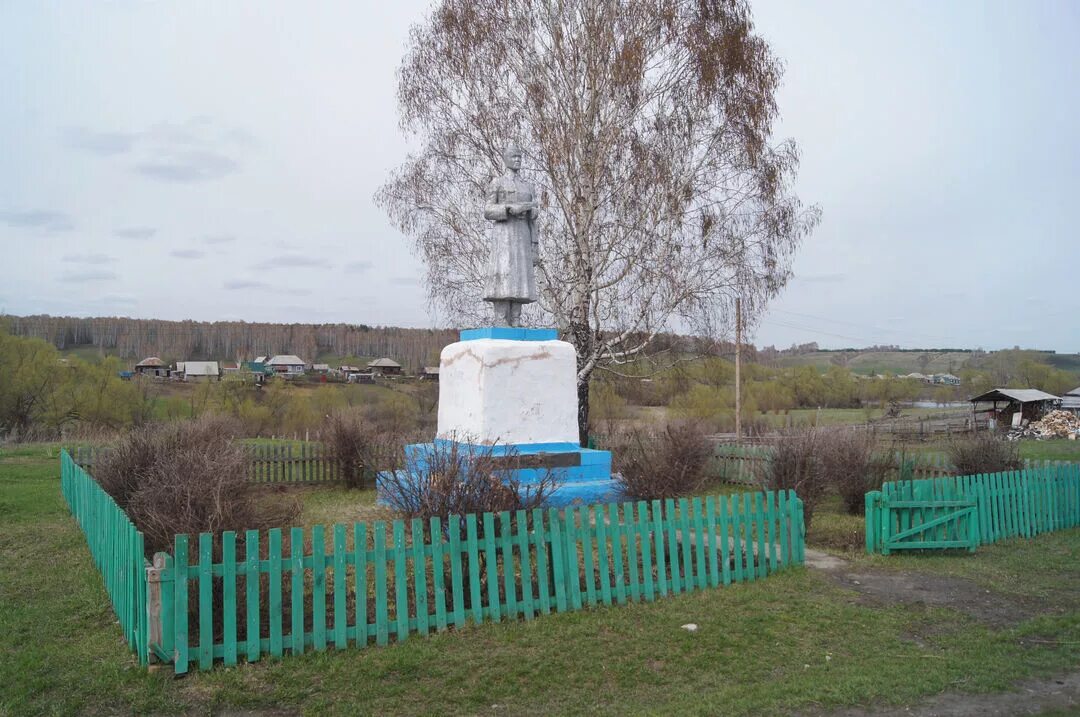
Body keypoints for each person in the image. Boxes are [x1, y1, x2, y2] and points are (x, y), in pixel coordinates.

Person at [483, 142, 539, 326]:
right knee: (504, 272)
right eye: (514, 157)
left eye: (520, 157)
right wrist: (508, 209)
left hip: (522, 233)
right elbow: (488, 210)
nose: (517, 160)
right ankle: (501, 319)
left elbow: (535, 217)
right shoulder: (497, 183)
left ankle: (516, 318)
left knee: (520, 276)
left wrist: (534, 246)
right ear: (506, 159)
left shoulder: (528, 186)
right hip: (504, 235)